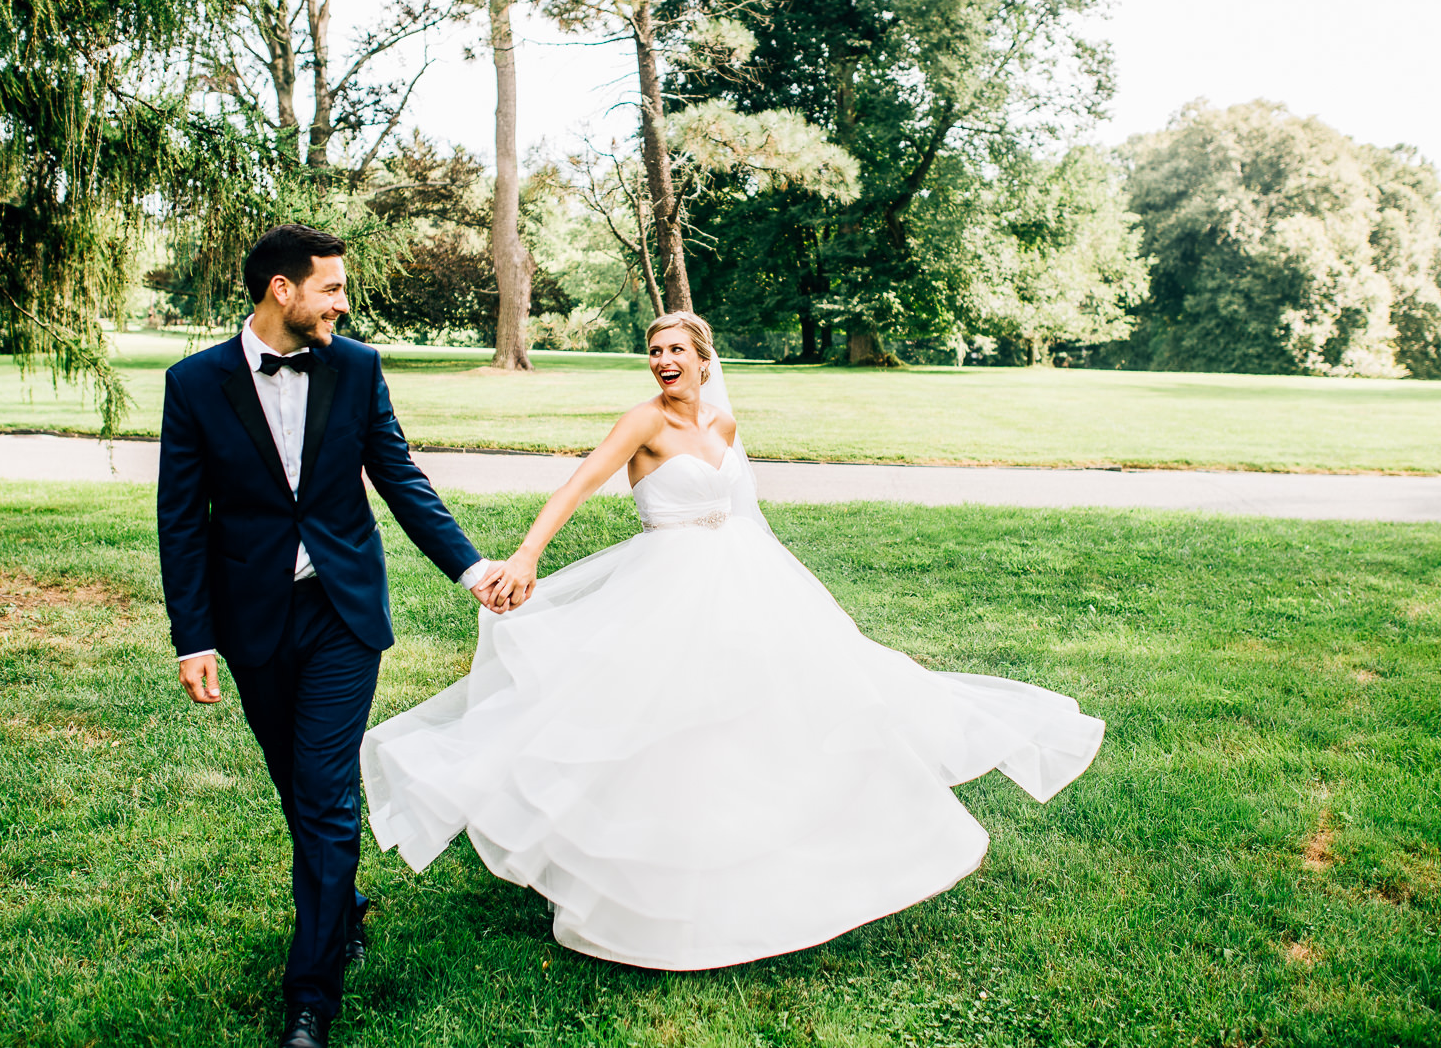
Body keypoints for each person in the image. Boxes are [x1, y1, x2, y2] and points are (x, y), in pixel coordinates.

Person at [361, 311, 1106, 970]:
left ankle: (768, 870)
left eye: (678, 348)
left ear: (705, 360)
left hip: (746, 581)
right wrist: (525, 557)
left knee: (772, 720)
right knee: (660, 727)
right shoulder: (642, 422)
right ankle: (655, 887)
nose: (664, 360)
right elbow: (577, 485)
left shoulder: (722, 426)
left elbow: (744, 513)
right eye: (654, 349)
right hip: (666, 588)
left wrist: (794, 593)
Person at [157, 225, 524, 1048]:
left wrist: (470, 571)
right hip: (252, 617)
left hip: (341, 612)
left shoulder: (356, 368)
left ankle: (310, 999)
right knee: (296, 784)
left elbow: (398, 476)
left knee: (323, 792)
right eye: (329, 287)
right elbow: (180, 521)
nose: (343, 302)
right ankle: (342, 902)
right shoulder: (195, 384)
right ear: (280, 290)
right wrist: (194, 637)